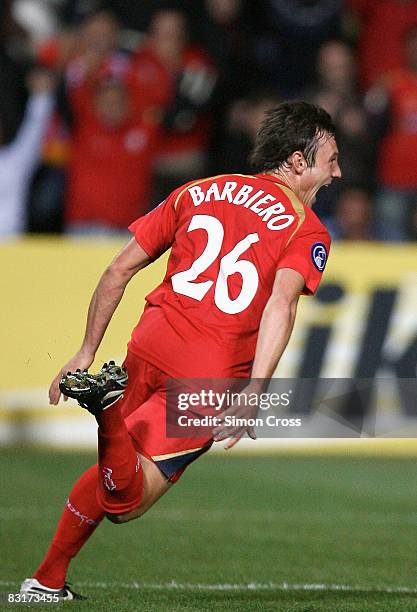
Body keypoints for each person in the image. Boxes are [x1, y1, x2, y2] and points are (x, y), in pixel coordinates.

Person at [20, 101, 341, 600]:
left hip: (150, 342)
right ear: (298, 162)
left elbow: (117, 271)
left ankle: (44, 581)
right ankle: (106, 415)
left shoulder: (197, 190)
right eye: (330, 160)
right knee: (128, 501)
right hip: (206, 375)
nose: (337, 172)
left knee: (116, 467)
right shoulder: (307, 229)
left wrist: (85, 351)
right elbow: (281, 304)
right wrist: (256, 388)